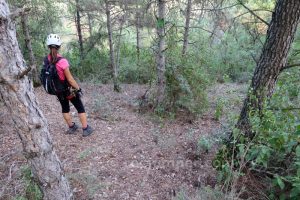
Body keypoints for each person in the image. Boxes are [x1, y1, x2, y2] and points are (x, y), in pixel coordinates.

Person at [45, 33, 93, 137]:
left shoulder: (46, 60)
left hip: (57, 90)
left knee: (65, 108)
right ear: (59, 46)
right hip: (68, 90)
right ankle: (85, 129)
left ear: (48, 46)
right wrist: (78, 88)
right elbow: (70, 79)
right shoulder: (62, 61)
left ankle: (71, 127)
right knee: (80, 107)